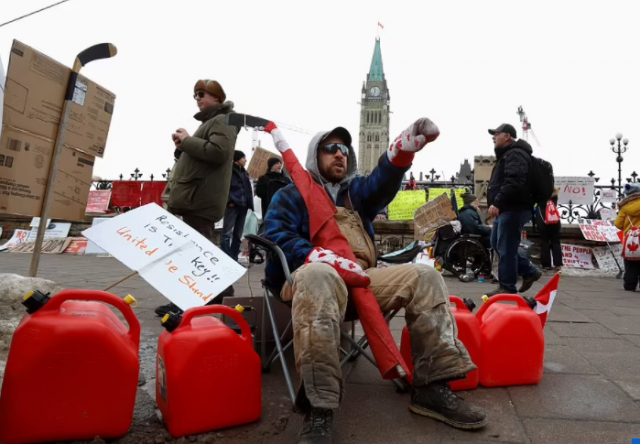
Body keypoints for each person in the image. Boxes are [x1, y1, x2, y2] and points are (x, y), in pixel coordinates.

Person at [264, 120, 487, 444]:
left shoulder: (355, 196)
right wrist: (317, 256)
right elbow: (276, 237)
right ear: (314, 155)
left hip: (363, 278)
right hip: (308, 278)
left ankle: (431, 388)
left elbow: (379, 186)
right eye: (331, 148)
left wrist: (398, 156)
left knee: (424, 275)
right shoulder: (291, 194)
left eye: (344, 149)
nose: (340, 154)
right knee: (319, 276)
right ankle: (318, 406)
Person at [155, 79, 239, 317]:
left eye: (202, 94)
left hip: (199, 198)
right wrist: (183, 146)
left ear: (217, 98)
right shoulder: (214, 121)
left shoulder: (223, 120)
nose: (198, 99)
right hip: (196, 196)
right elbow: (203, 155)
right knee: (200, 250)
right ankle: (221, 291)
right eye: (195, 95)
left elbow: (219, 151)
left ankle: (188, 301)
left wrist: (188, 140)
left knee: (196, 252)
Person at [486, 123, 542, 297]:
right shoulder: (508, 155)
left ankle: (507, 286)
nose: (493, 137)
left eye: (497, 134)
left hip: (513, 208)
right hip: (508, 209)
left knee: (506, 249)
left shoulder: (515, 154)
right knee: (497, 244)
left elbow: (515, 181)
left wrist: (498, 202)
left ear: (507, 136)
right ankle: (529, 271)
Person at [221, 150, 254, 262]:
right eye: (243, 158)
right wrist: (229, 201)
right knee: (226, 233)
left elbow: (247, 189)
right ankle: (226, 258)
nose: (245, 160)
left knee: (238, 234)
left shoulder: (244, 172)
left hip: (243, 206)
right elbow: (224, 188)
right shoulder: (229, 171)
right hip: (233, 205)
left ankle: (233, 258)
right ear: (237, 159)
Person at [615, 183, 640, 291]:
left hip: (630, 239)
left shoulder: (624, 207)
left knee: (630, 263)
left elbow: (618, 224)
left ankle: (630, 285)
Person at [536, 188, 563, 271]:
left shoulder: (539, 197)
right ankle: (558, 264)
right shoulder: (554, 197)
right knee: (555, 242)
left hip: (543, 222)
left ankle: (546, 264)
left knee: (545, 242)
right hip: (554, 222)